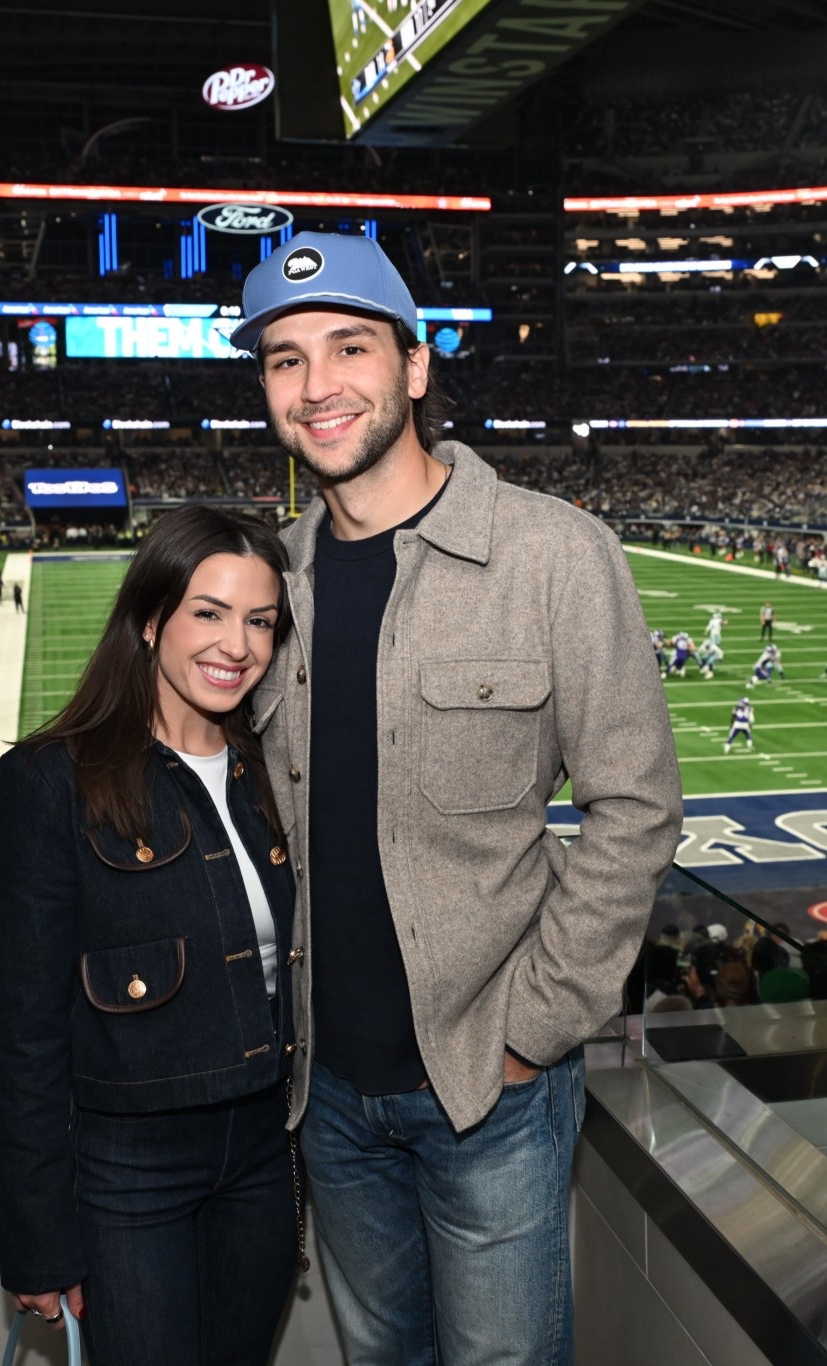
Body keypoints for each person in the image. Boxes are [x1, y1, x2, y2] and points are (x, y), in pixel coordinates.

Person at [230, 230, 683, 1366]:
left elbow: (636, 805)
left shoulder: (554, 555)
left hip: (491, 1085)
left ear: (417, 365)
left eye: (349, 346)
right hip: (326, 1093)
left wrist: (536, 1028)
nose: (317, 384)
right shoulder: (269, 583)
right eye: (285, 359)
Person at [0, 506, 302, 1366]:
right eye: (210, 612)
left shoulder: (273, 767)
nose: (238, 644)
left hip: (265, 1151)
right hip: (128, 1167)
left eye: (260, 621)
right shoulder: (51, 780)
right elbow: (25, 1032)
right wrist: (38, 1237)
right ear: (153, 618)